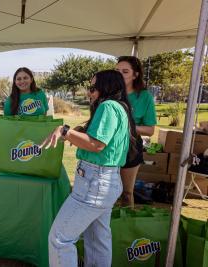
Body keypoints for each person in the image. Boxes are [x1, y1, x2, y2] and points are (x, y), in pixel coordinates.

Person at [41, 70, 137, 267]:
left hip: (94, 184)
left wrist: (64, 131)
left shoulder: (108, 106)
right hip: (105, 182)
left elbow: (96, 144)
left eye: (93, 88)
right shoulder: (120, 107)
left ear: (106, 87)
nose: (89, 93)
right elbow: (100, 142)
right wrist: (78, 133)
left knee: (60, 239)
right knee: (97, 241)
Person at [115, 56, 157, 208]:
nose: (120, 75)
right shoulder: (109, 93)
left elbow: (151, 130)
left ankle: (127, 228)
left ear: (135, 75)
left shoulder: (144, 97)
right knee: (106, 192)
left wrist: (127, 126)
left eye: (125, 71)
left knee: (126, 193)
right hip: (107, 147)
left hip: (130, 148)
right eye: (117, 71)